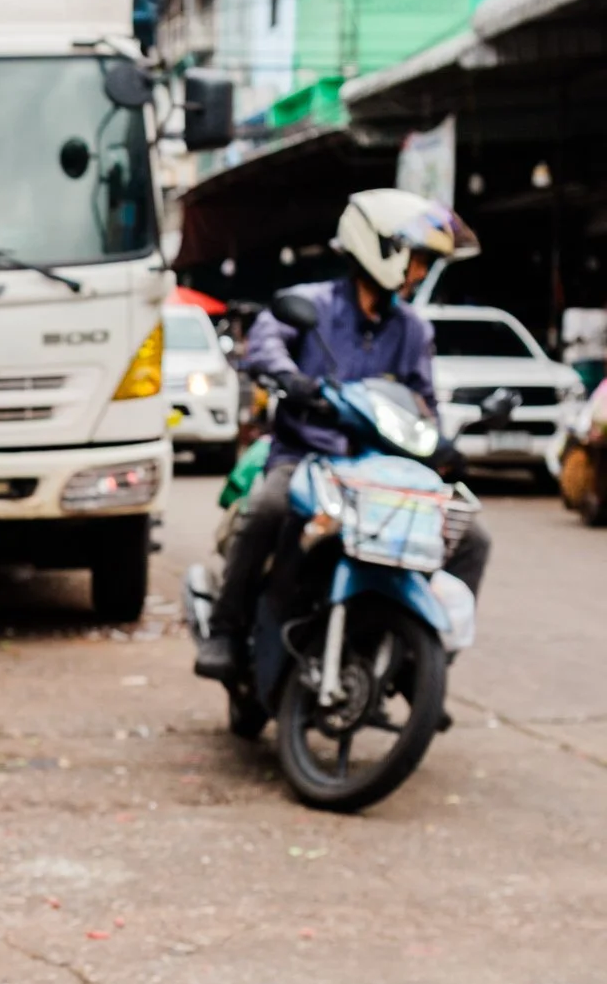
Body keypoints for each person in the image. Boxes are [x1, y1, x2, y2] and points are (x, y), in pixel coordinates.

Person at [194, 190, 489, 683]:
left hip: (381, 470)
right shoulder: (312, 305)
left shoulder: (413, 330)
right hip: (307, 456)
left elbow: (422, 405)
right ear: (382, 248)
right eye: (418, 260)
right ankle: (226, 630)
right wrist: (290, 379)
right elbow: (266, 343)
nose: (420, 274)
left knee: (471, 537)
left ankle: (422, 662)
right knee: (268, 508)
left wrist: (440, 444)